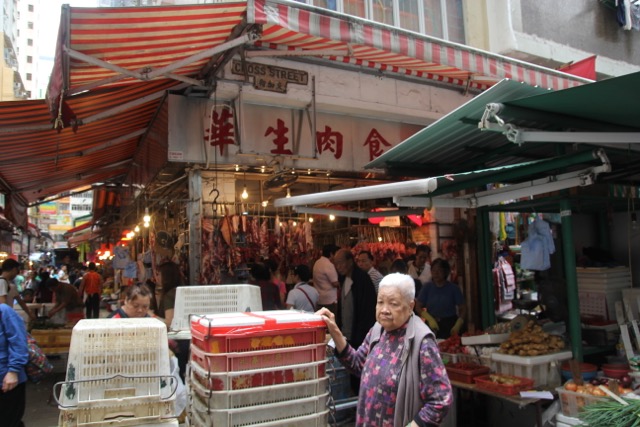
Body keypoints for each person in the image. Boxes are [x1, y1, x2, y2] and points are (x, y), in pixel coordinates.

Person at [318, 273, 453, 427]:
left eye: (393, 303)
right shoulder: (378, 330)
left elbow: (441, 399)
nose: (384, 310)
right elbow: (357, 364)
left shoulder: (422, 342)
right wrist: (334, 331)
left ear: (410, 306)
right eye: (380, 302)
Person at [333, 249, 377, 349]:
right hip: (345, 334)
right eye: (336, 264)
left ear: (350, 261)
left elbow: (367, 308)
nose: (338, 267)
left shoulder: (362, 279)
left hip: (359, 336)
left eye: (340, 263)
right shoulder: (343, 279)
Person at [415, 258, 466, 339]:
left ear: (446, 272)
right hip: (432, 324)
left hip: (450, 324)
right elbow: (418, 306)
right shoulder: (427, 287)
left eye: (439, 270)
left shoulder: (453, 288)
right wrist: (429, 318)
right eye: (434, 270)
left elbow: (463, 308)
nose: (436, 273)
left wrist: (458, 324)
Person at [0, 303, 29, 427]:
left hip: (7, 380)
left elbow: (19, 342)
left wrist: (13, 371)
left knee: (9, 421)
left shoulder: (4, 312)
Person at [312, 244, 340, 313]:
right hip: (330, 300)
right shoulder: (328, 265)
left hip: (320, 299)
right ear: (331, 254)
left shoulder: (317, 262)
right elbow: (335, 283)